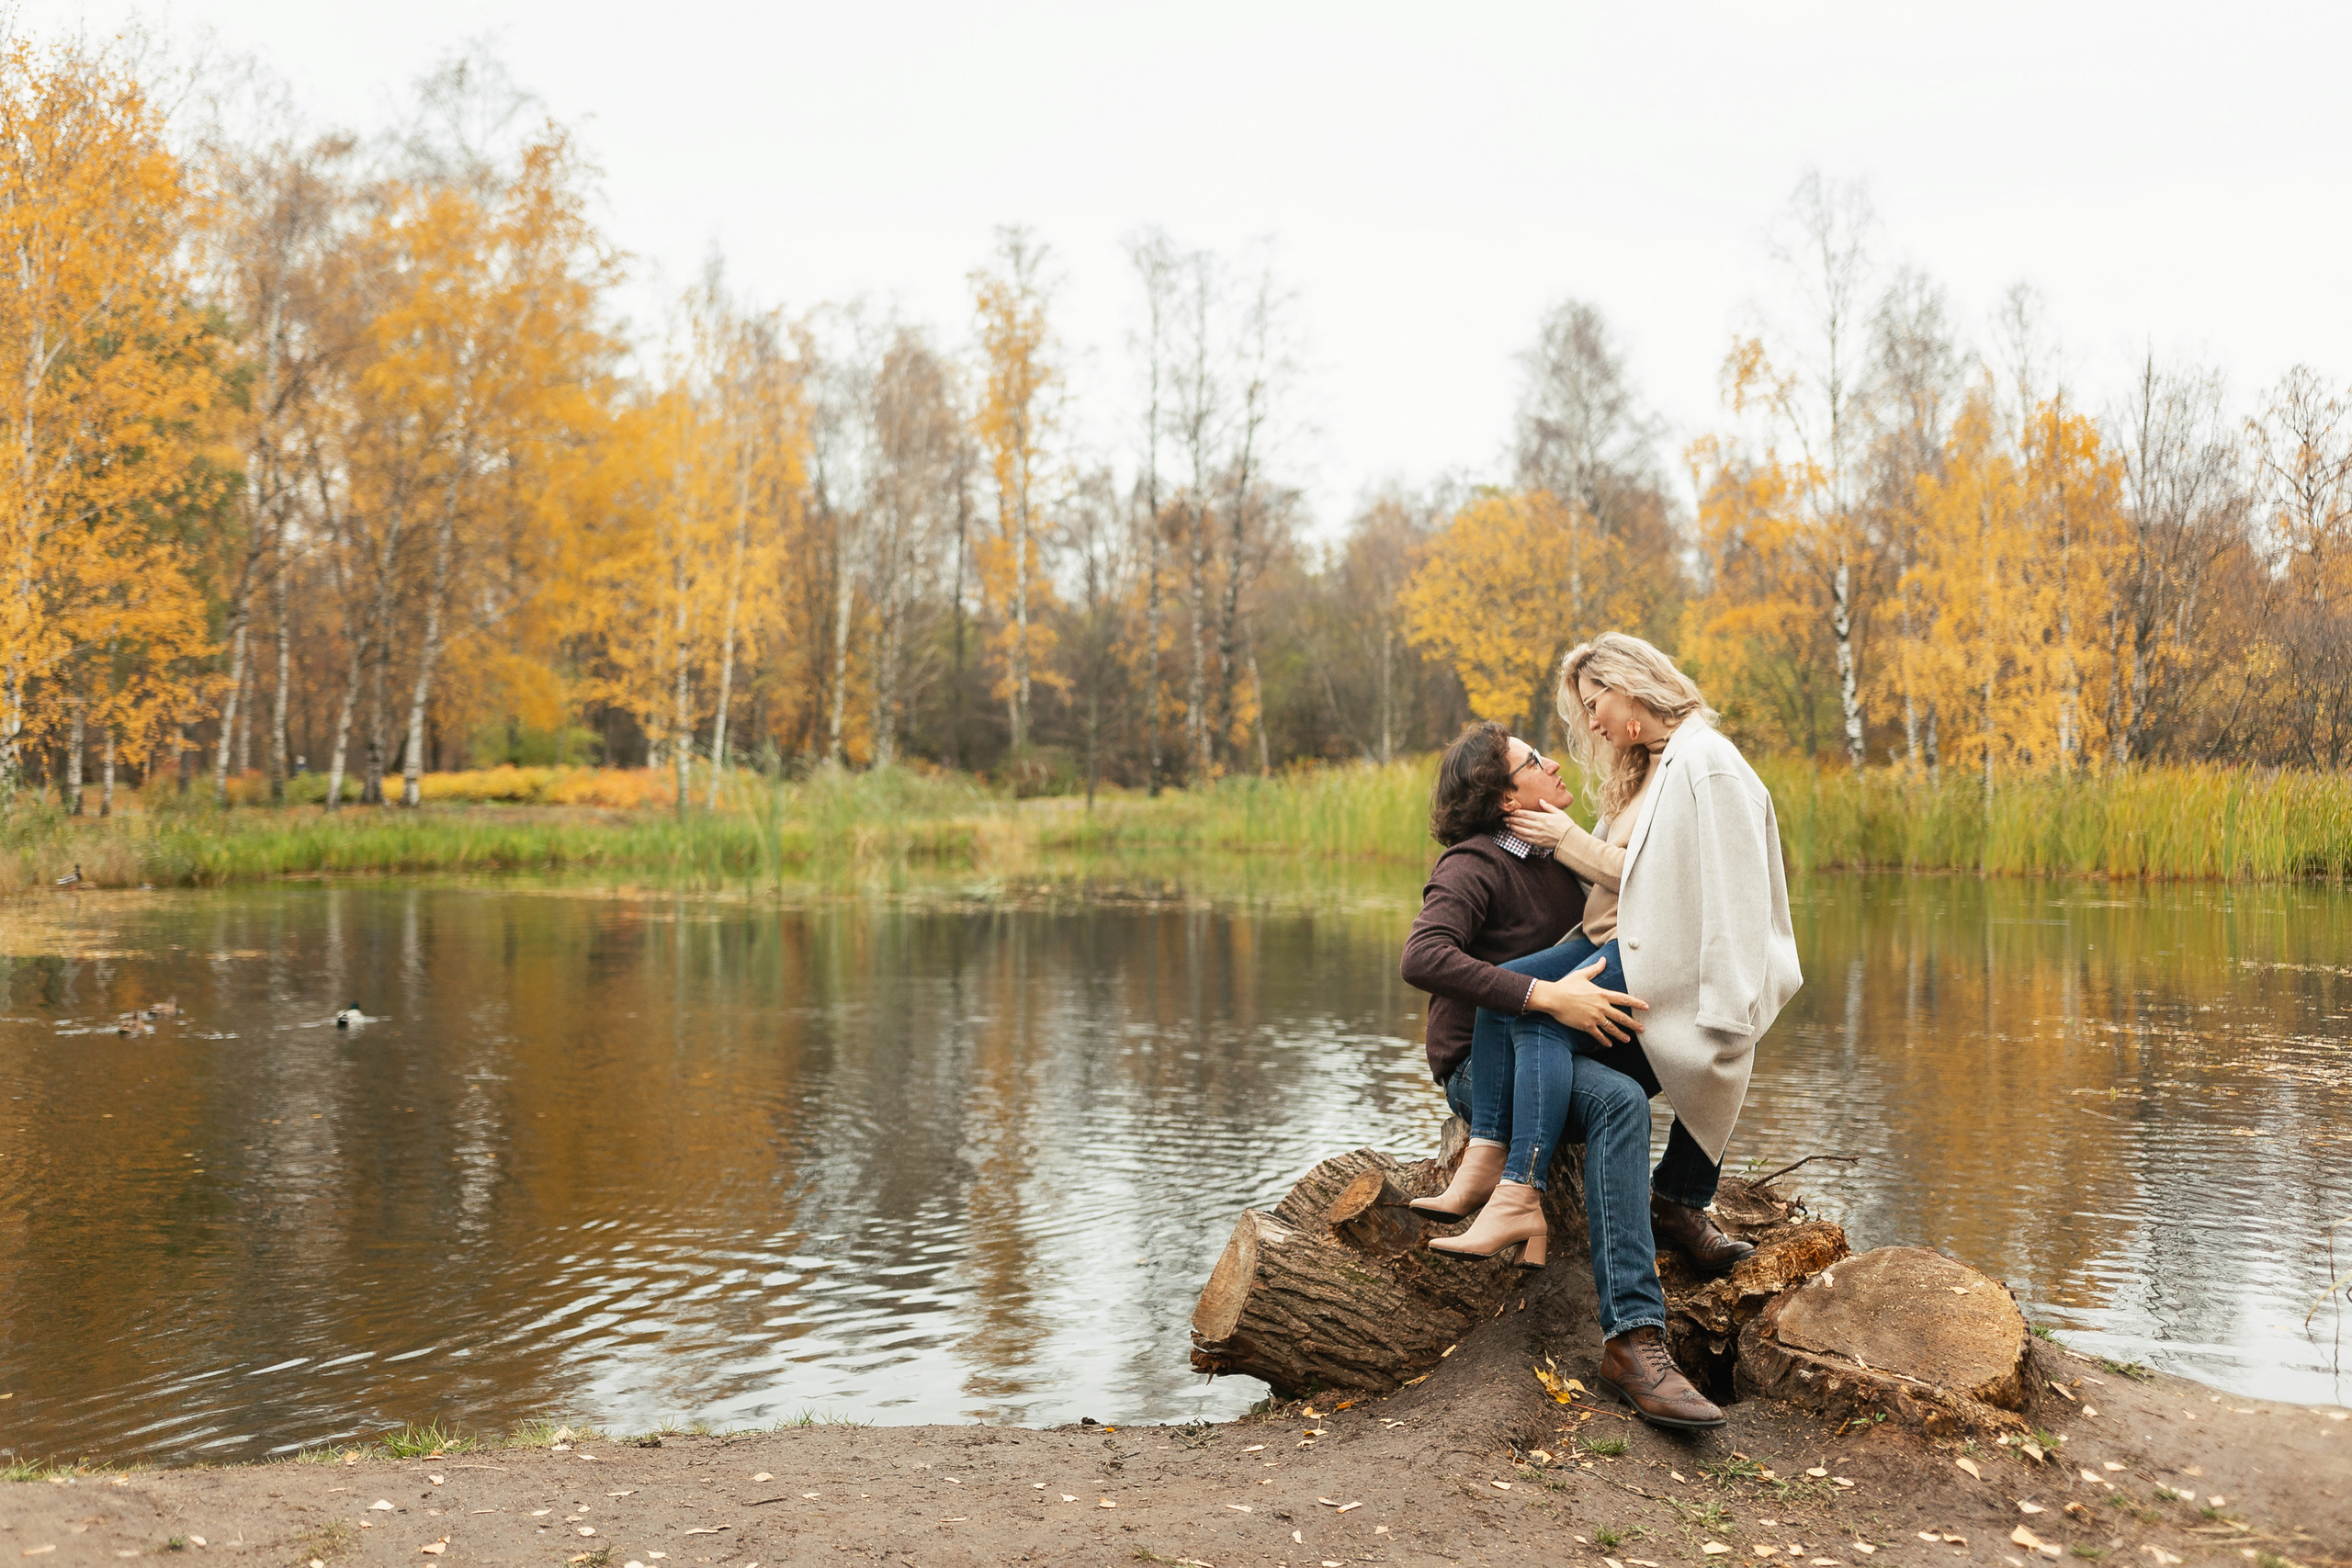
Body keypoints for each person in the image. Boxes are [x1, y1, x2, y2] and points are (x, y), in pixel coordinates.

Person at [1425, 633, 1803, 1431]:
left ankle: (1558, 1213)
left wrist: (1567, 845)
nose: (1588, 732)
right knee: (1559, 1031)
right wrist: (1548, 984)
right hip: (1501, 1047)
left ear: (1631, 690)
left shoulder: (1697, 763)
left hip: (1657, 966)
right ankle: (1617, 1273)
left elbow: (1691, 883)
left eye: (1594, 708)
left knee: (1565, 1036)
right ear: (1505, 798)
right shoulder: (1494, 853)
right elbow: (1435, 953)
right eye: (1544, 752)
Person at [1398, 721, 1648, 1169]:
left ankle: (1680, 1205)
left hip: (1551, 1043)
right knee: (1617, 1100)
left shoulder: (1553, 854)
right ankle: (1551, 1219)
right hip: (1479, 1066)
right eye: (1533, 761)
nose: (1552, 763)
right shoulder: (1472, 862)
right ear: (1506, 799)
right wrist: (1545, 995)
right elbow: (1422, 956)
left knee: (1688, 1056)